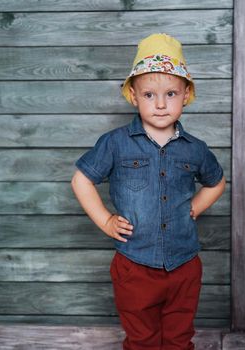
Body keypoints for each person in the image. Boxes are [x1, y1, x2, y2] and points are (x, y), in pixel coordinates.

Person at [71, 33, 226, 350]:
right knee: (142, 339)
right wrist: (105, 220)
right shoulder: (115, 143)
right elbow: (81, 180)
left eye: (170, 93)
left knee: (179, 339)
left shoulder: (195, 149)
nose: (159, 103)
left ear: (186, 95)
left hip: (184, 264)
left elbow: (217, 181)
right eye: (149, 94)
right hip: (135, 264)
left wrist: (194, 207)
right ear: (133, 95)